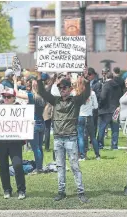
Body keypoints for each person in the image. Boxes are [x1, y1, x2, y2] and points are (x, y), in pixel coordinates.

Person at [37, 68, 91, 203]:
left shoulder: (76, 100)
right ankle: (61, 192)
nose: (62, 90)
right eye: (60, 88)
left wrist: (86, 79)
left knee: (74, 166)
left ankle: (81, 192)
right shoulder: (55, 100)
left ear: (70, 88)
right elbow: (42, 92)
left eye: (64, 88)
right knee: (60, 166)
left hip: (71, 138)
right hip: (58, 139)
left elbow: (86, 93)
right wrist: (39, 78)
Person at [0, 88, 26, 199]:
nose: (6, 99)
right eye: (4, 96)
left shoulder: (19, 108)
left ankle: (21, 190)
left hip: (15, 142)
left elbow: (25, 122)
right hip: (0, 142)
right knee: (3, 166)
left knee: (17, 165)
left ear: (14, 98)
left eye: (8, 97)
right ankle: (7, 189)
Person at [13, 75, 45, 173]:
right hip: (42, 122)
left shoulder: (31, 96)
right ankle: (40, 166)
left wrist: (15, 81)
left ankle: (38, 168)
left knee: (35, 148)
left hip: (33, 123)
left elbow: (16, 93)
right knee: (39, 147)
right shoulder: (44, 96)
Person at [98, 71, 123, 150]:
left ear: (106, 77)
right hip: (115, 109)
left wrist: (100, 105)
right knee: (115, 129)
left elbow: (102, 97)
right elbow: (120, 96)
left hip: (105, 110)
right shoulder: (118, 86)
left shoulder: (105, 85)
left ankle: (100, 144)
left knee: (102, 128)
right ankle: (114, 145)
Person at [76, 76, 100, 161]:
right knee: (93, 136)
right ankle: (97, 155)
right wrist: (91, 107)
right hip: (89, 116)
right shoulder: (92, 93)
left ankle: (82, 156)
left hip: (80, 116)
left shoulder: (77, 93)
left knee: (80, 136)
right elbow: (96, 106)